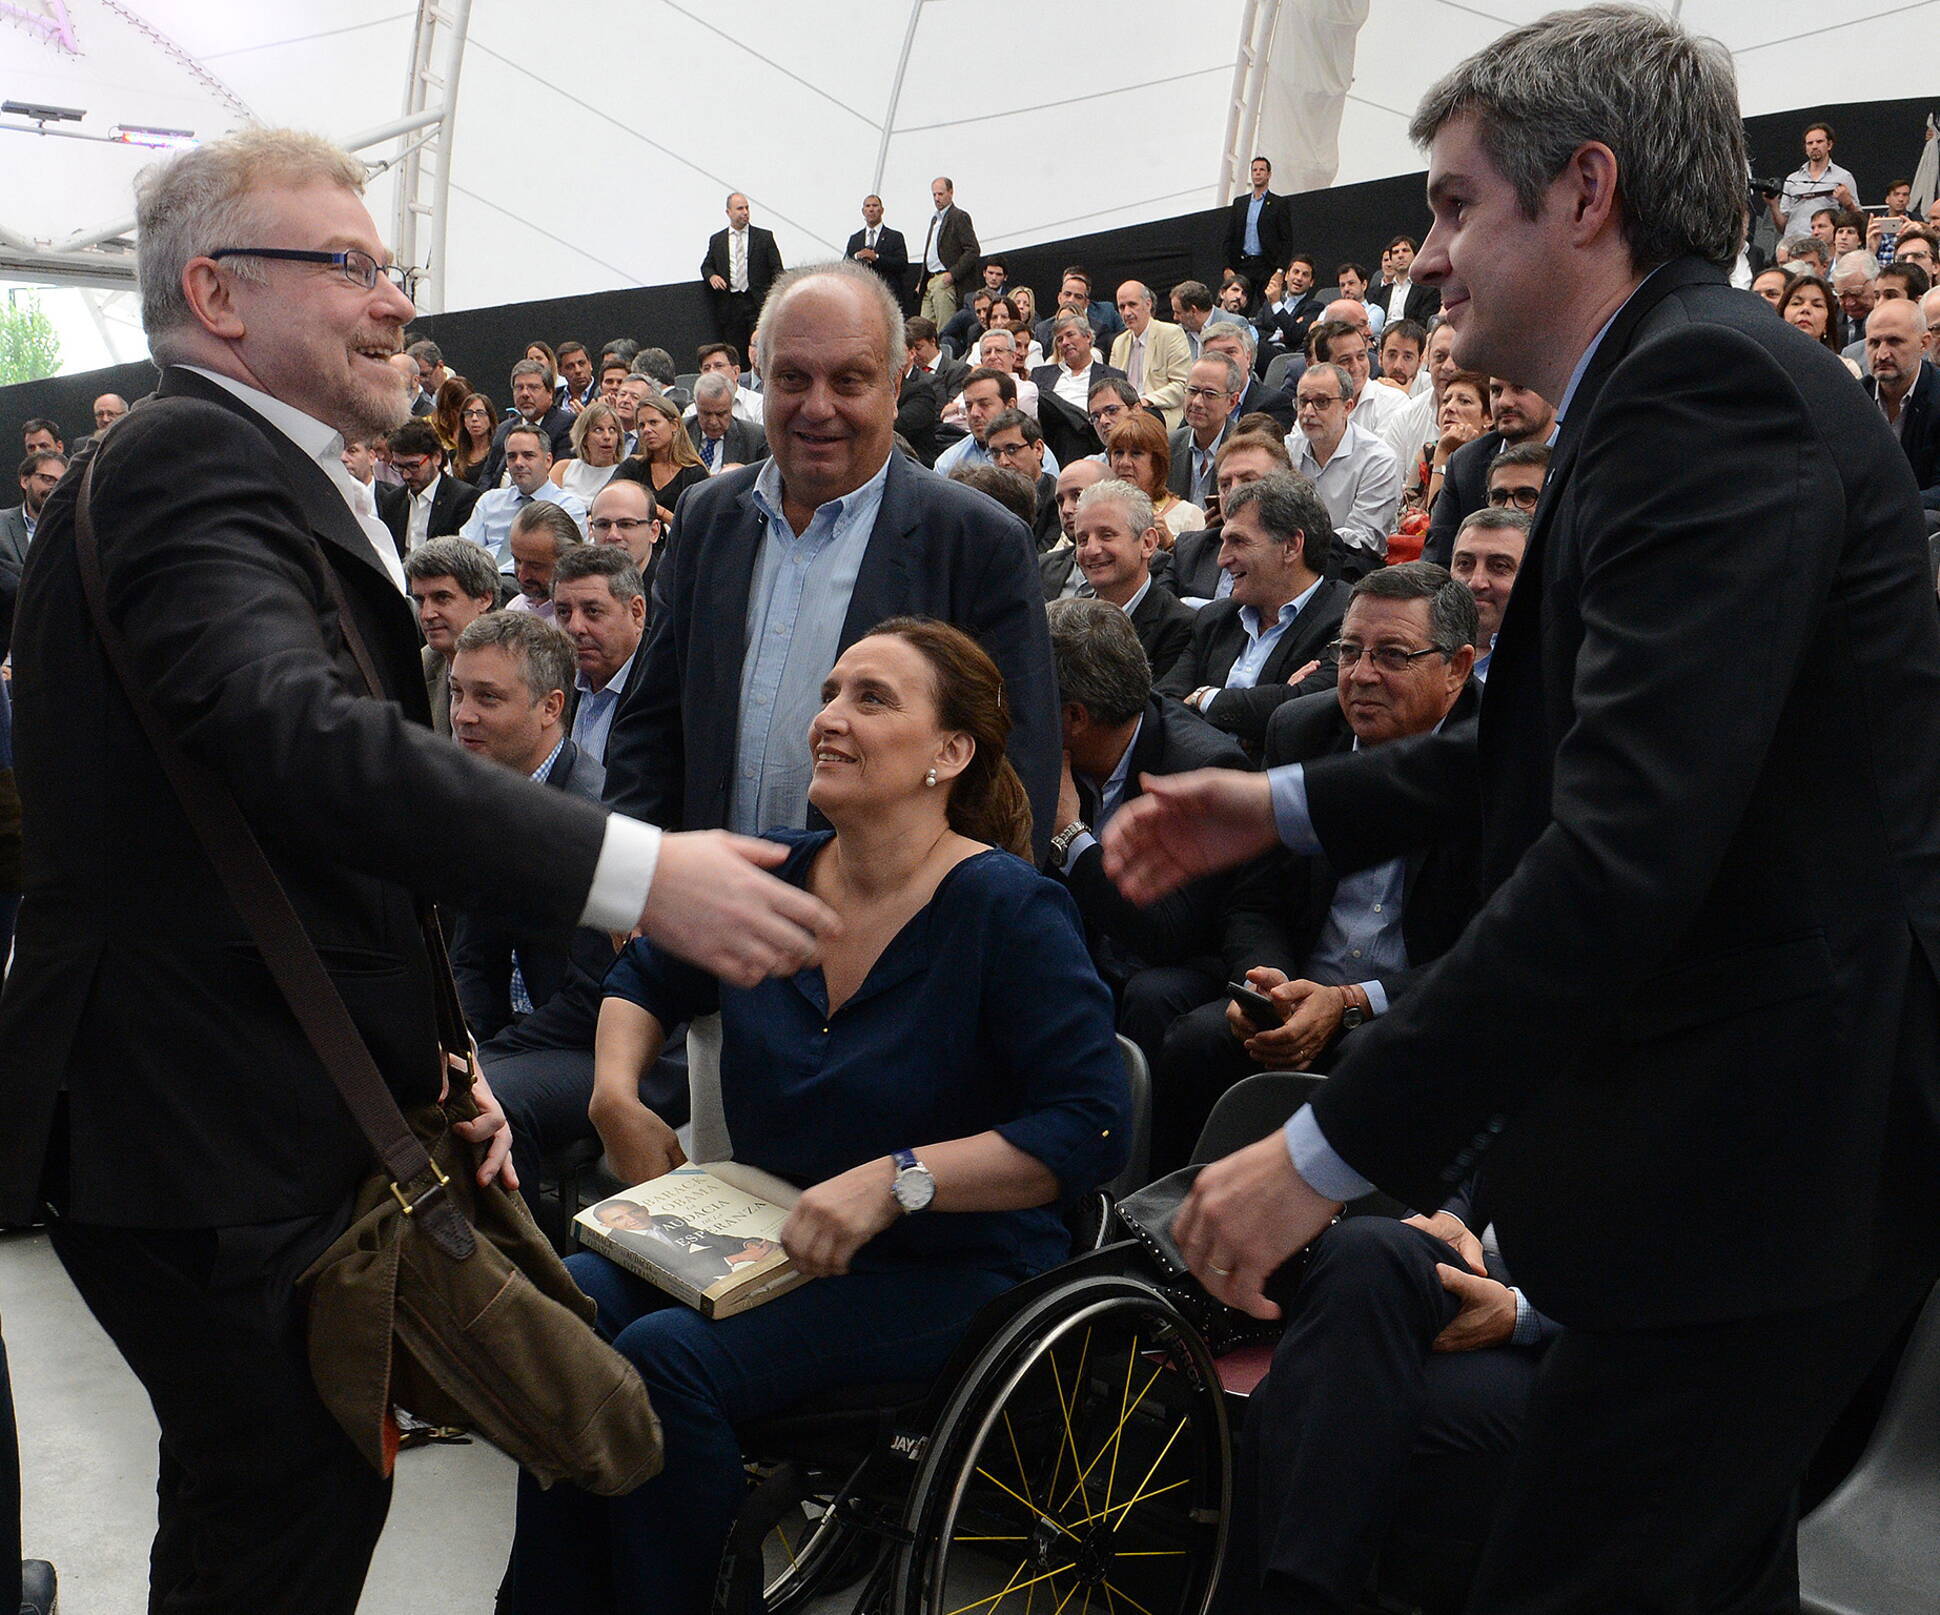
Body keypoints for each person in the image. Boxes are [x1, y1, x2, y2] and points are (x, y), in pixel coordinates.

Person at [1104, 11, 1940, 1609]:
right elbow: (1544, 755)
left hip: (1764, 1161)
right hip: (1751, 1157)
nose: (1422, 256)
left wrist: (1327, 1150)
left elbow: (1620, 851)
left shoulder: (1700, 392)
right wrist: (1279, 807)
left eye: (1452, 202)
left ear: (1585, 193)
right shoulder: (1667, 384)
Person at [0, 126, 837, 1615]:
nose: (397, 302)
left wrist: (436, 1062)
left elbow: (305, 855)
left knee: (274, 1495)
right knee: (285, 1507)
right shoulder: (192, 456)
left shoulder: (257, 469)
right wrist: (635, 867)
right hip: (203, 1132)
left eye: (392, 267)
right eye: (350, 266)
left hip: (243, 1111)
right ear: (219, 292)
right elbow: (292, 740)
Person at [502, 619, 1129, 1615]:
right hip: (768, 1238)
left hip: (944, 1267)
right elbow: (648, 969)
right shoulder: (780, 872)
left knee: (666, 1361)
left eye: (871, 699)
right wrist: (614, 1092)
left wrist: (898, 1179)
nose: (828, 719)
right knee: (566, 1308)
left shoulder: (1008, 911)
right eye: (830, 693)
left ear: (948, 752)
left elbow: (1091, 1125)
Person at [1152, 562, 1481, 1171]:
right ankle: (1159, 1235)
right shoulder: (1301, 728)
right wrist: (1267, 982)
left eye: (1392, 656)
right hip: (1298, 988)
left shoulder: (1493, 762)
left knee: (1373, 1062)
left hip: (1413, 1010)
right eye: (1349, 651)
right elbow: (1256, 897)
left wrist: (1354, 1001)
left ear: (1457, 669)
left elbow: (1486, 952)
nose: (1360, 676)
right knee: (1194, 1042)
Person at [1044, 596, 1246, 1056]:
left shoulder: (1201, 771)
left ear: (1075, 716)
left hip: (1176, 963)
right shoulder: (1045, 754)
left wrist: (1069, 835)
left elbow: (1167, 934)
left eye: (1030, 697)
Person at [447, 611, 606, 1040]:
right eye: (457, 693)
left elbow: (592, 1000)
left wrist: (494, 1060)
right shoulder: (483, 802)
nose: (462, 715)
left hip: (592, 1050)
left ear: (550, 707)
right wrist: (474, 1048)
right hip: (517, 1036)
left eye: (488, 698)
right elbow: (472, 962)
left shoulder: (594, 822)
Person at [1157, 471, 1347, 747]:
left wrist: (1204, 697)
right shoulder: (1215, 619)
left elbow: (1299, 715)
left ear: (1291, 546)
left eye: (1238, 541)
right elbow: (1163, 706)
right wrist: (1258, 710)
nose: (1222, 560)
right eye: (1223, 541)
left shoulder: (1347, 620)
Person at [1039, 479, 1195, 680]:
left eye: (1106, 536)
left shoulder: (1179, 627)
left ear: (1147, 543)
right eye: (1083, 540)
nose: (1092, 550)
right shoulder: (1066, 624)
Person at [1421, 376, 1555, 566]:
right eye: (1496, 391)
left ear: (1555, 392)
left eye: (1520, 388)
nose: (1504, 402)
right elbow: (1437, 559)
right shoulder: (1465, 464)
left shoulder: (1582, 455)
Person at [1287, 361, 1403, 575]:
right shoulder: (1288, 451)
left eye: (1321, 402)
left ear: (1347, 407)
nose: (1308, 412)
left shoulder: (1377, 459)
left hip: (1350, 565)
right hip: (1291, 557)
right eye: (1303, 402)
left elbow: (1365, 536)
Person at [554, 544, 648, 766]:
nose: (575, 627)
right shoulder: (553, 681)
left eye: (592, 611)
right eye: (563, 612)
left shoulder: (668, 689)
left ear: (636, 613)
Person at [404, 536, 501, 737]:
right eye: (420, 600)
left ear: (484, 598)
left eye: (442, 598)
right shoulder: (423, 665)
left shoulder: (521, 665)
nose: (427, 614)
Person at [459, 424, 589, 561]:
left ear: (548, 461)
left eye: (528, 455)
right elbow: (463, 550)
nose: (518, 463)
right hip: (483, 575)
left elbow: (567, 562)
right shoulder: (490, 501)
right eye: (512, 456)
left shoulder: (568, 507)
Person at [1862, 299, 1939, 507]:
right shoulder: (1854, 400)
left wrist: (1888, 506)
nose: (1882, 354)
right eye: (1874, 343)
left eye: (1894, 341)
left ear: (1924, 343)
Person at [375, 417, 481, 556]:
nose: (406, 475)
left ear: (436, 457)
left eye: (414, 466)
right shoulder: (392, 501)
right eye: (399, 467)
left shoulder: (463, 499)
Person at [1448, 504, 1530, 681]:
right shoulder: (1417, 652)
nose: (1476, 582)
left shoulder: (1548, 672)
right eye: (1464, 564)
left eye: (1499, 566)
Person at [701, 191, 783, 360]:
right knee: (735, 353)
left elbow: (777, 270)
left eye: (747, 208)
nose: (745, 212)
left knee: (761, 349)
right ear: (728, 212)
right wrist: (712, 277)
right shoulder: (718, 240)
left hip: (757, 303)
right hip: (731, 305)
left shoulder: (764, 237)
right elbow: (706, 266)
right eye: (739, 208)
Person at [1107, 409, 1202, 540]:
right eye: (1118, 452)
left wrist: (1169, 544)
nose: (1124, 463)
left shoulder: (1189, 516)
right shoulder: (1098, 511)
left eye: (1136, 453)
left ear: (1157, 461)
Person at [1109, 281, 1192, 428]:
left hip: (1159, 410)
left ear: (1148, 304)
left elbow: (1182, 386)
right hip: (1125, 415)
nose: (1127, 312)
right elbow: (1113, 387)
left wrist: (1144, 401)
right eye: (1122, 307)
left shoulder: (1171, 334)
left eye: (1132, 304)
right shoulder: (1119, 343)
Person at [1170, 354, 1244, 508]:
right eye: (1192, 391)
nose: (1197, 402)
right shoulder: (1169, 445)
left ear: (1232, 402)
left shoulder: (1244, 450)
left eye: (1210, 394)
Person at [619, 391, 710, 511]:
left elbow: (696, 525)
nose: (646, 430)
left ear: (674, 425)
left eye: (653, 423)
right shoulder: (633, 467)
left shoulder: (695, 474)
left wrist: (659, 513)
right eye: (641, 425)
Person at [1771, 119, 1859, 239]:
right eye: (1810, 143)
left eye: (1819, 141)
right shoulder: (1792, 179)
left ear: (1829, 145)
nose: (1814, 146)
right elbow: (1782, 227)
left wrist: (1848, 204)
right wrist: (1773, 205)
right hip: (1794, 246)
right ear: (1805, 148)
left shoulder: (1843, 177)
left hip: (1825, 246)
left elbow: (1859, 221)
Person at [1226, 156, 1294, 298]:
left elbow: (1287, 240)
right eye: (1254, 170)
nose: (1257, 173)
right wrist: (1227, 267)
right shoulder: (1240, 204)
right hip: (1243, 265)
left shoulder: (1278, 204)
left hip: (1267, 266)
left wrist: (1280, 271)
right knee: (1239, 306)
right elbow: (1229, 237)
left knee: (1268, 307)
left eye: (1261, 170)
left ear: (1268, 174)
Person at [917, 176, 980, 328]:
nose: (937, 198)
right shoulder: (935, 219)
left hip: (944, 279)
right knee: (924, 329)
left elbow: (973, 250)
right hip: (930, 280)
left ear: (951, 193)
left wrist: (953, 274)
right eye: (934, 195)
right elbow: (931, 251)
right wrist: (922, 279)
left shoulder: (958, 216)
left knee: (944, 329)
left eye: (940, 194)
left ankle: (945, 351)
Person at [505, 501, 580, 623]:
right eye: (517, 561)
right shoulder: (514, 609)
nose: (522, 576)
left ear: (568, 560)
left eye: (535, 566)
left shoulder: (585, 622)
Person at [1780, 272, 1859, 374]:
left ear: (1827, 323)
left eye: (1817, 305)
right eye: (1796, 303)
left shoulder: (1845, 369)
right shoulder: (1766, 364)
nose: (1805, 309)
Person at [549, 399, 626, 502]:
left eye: (612, 430)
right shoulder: (563, 468)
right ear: (584, 438)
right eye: (598, 430)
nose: (607, 436)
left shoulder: (625, 474)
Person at [845, 194, 909, 304]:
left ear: (882, 210)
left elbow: (902, 264)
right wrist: (857, 256)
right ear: (863, 211)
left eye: (875, 205)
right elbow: (846, 265)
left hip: (888, 294)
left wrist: (877, 258)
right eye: (868, 206)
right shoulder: (855, 238)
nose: (871, 209)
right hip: (860, 295)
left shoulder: (895, 236)